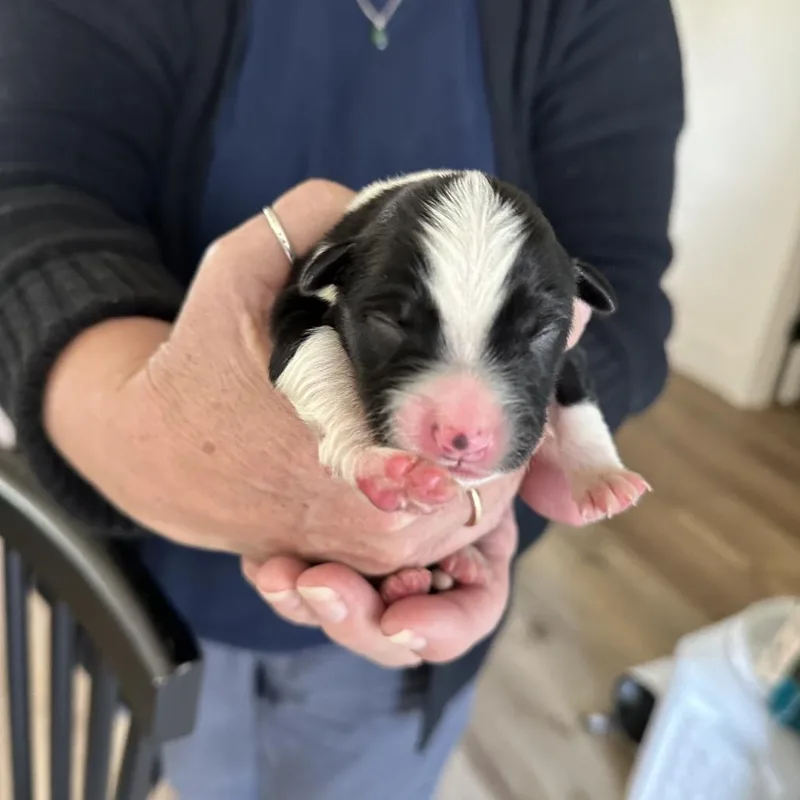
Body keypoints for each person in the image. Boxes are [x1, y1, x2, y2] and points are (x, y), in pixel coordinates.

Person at [0, 0, 684, 797]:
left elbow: (618, 290)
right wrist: (130, 422)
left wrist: (500, 492)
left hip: (420, 599)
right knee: (201, 774)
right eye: (395, 316)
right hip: (161, 589)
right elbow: (28, 194)